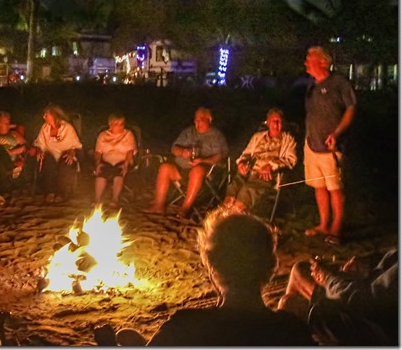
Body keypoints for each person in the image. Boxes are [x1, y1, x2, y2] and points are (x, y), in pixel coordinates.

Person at [93, 208, 315, 346]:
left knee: (124, 338)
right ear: (271, 267)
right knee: (130, 337)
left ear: (212, 267)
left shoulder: (185, 327)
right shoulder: (292, 332)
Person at [278, 249, 398, 345]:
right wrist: (367, 264)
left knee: (289, 303)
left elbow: (359, 303)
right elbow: (391, 256)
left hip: (368, 324)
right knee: (300, 270)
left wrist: (328, 278)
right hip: (362, 292)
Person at [303, 46, 356, 245]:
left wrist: (337, 133)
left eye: (309, 59)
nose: (305, 63)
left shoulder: (339, 83)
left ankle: (336, 228)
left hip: (331, 146)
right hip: (312, 144)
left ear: (323, 62)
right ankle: (324, 224)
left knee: (335, 188)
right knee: (319, 186)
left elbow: (351, 108)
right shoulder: (311, 85)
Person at [144, 107, 228, 218]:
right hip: (181, 168)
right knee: (165, 167)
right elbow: (174, 148)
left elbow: (220, 156)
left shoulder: (216, 136)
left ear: (210, 119)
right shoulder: (189, 132)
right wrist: (182, 151)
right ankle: (158, 206)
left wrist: (202, 160)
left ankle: (184, 209)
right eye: (196, 120)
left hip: (204, 172)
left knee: (197, 170)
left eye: (201, 119)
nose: (197, 123)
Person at [223, 108, 297, 213]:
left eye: (279, 121)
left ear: (283, 123)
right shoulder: (257, 137)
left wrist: (271, 166)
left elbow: (291, 160)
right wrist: (241, 163)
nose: (276, 125)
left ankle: (231, 219)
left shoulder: (288, 140)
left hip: (267, 175)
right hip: (248, 171)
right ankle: (222, 217)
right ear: (267, 122)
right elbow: (246, 153)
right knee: (233, 188)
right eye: (273, 121)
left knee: (246, 192)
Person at [33, 104, 82, 204]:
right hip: (51, 155)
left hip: (66, 155)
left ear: (54, 116)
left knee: (65, 162)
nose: (44, 117)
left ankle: (62, 193)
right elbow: (39, 143)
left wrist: (72, 152)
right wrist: (39, 151)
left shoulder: (67, 128)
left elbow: (77, 146)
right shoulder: (45, 128)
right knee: (48, 161)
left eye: (46, 115)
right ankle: (50, 192)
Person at [92, 113, 137, 208]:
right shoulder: (103, 135)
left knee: (118, 173)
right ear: (110, 125)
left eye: (122, 124)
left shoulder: (128, 134)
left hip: (123, 160)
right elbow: (98, 152)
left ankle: (114, 199)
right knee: (101, 172)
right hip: (106, 160)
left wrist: (126, 164)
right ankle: (97, 199)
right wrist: (97, 163)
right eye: (117, 124)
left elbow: (130, 151)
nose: (120, 127)